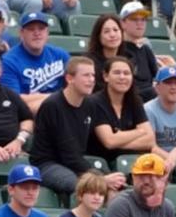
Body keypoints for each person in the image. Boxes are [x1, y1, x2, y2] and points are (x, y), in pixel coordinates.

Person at [31, 55, 126, 198]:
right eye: (86, 75)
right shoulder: (53, 106)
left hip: (76, 162)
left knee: (116, 189)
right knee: (86, 187)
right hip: (48, 164)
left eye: (93, 75)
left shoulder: (90, 104)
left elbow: (104, 137)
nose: (92, 80)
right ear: (70, 79)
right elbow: (68, 154)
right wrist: (100, 179)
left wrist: (109, 177)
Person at [87, 54, 154, 170]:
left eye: (127, 73)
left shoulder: (134, 100)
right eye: (117, 73)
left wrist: (119, 139)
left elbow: (150, 141)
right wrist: (139, 132)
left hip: (129, 163)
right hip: (99, 165)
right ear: (105, 76)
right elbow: (109, 141)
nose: (122, 77)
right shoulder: (95, 102)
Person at [0, 10, 69, 116]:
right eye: (31, 29)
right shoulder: (9, 61)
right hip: (26, 114)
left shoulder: (60, 55)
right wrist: (58, 97)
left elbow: (75, 88)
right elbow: (14, 100)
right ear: (21, 33)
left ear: (47, 32)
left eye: (41, 29)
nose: (37, 33)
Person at [118, 2, 163, 103]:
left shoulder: (146, 49)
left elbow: (158, 77)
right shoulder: (118, 49)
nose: (140, 23)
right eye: (134, 19)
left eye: (143, 19)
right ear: (123, 23)